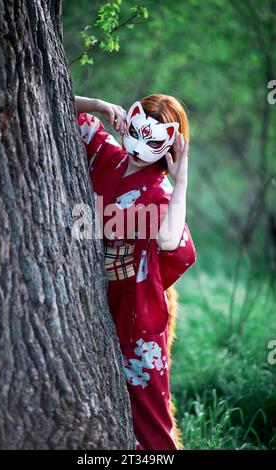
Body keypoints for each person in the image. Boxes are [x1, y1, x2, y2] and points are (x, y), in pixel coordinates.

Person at [75, 94, 197, 450]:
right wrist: (98, 104)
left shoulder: (161, 194)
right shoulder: (107, 155)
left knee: (149, 416)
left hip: (135, 311)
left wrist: (182, 179)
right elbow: (51, 99)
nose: (139, 147)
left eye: (154, 141)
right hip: (91, 302)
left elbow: (171, 241)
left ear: (170, 147)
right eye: (135, 130)